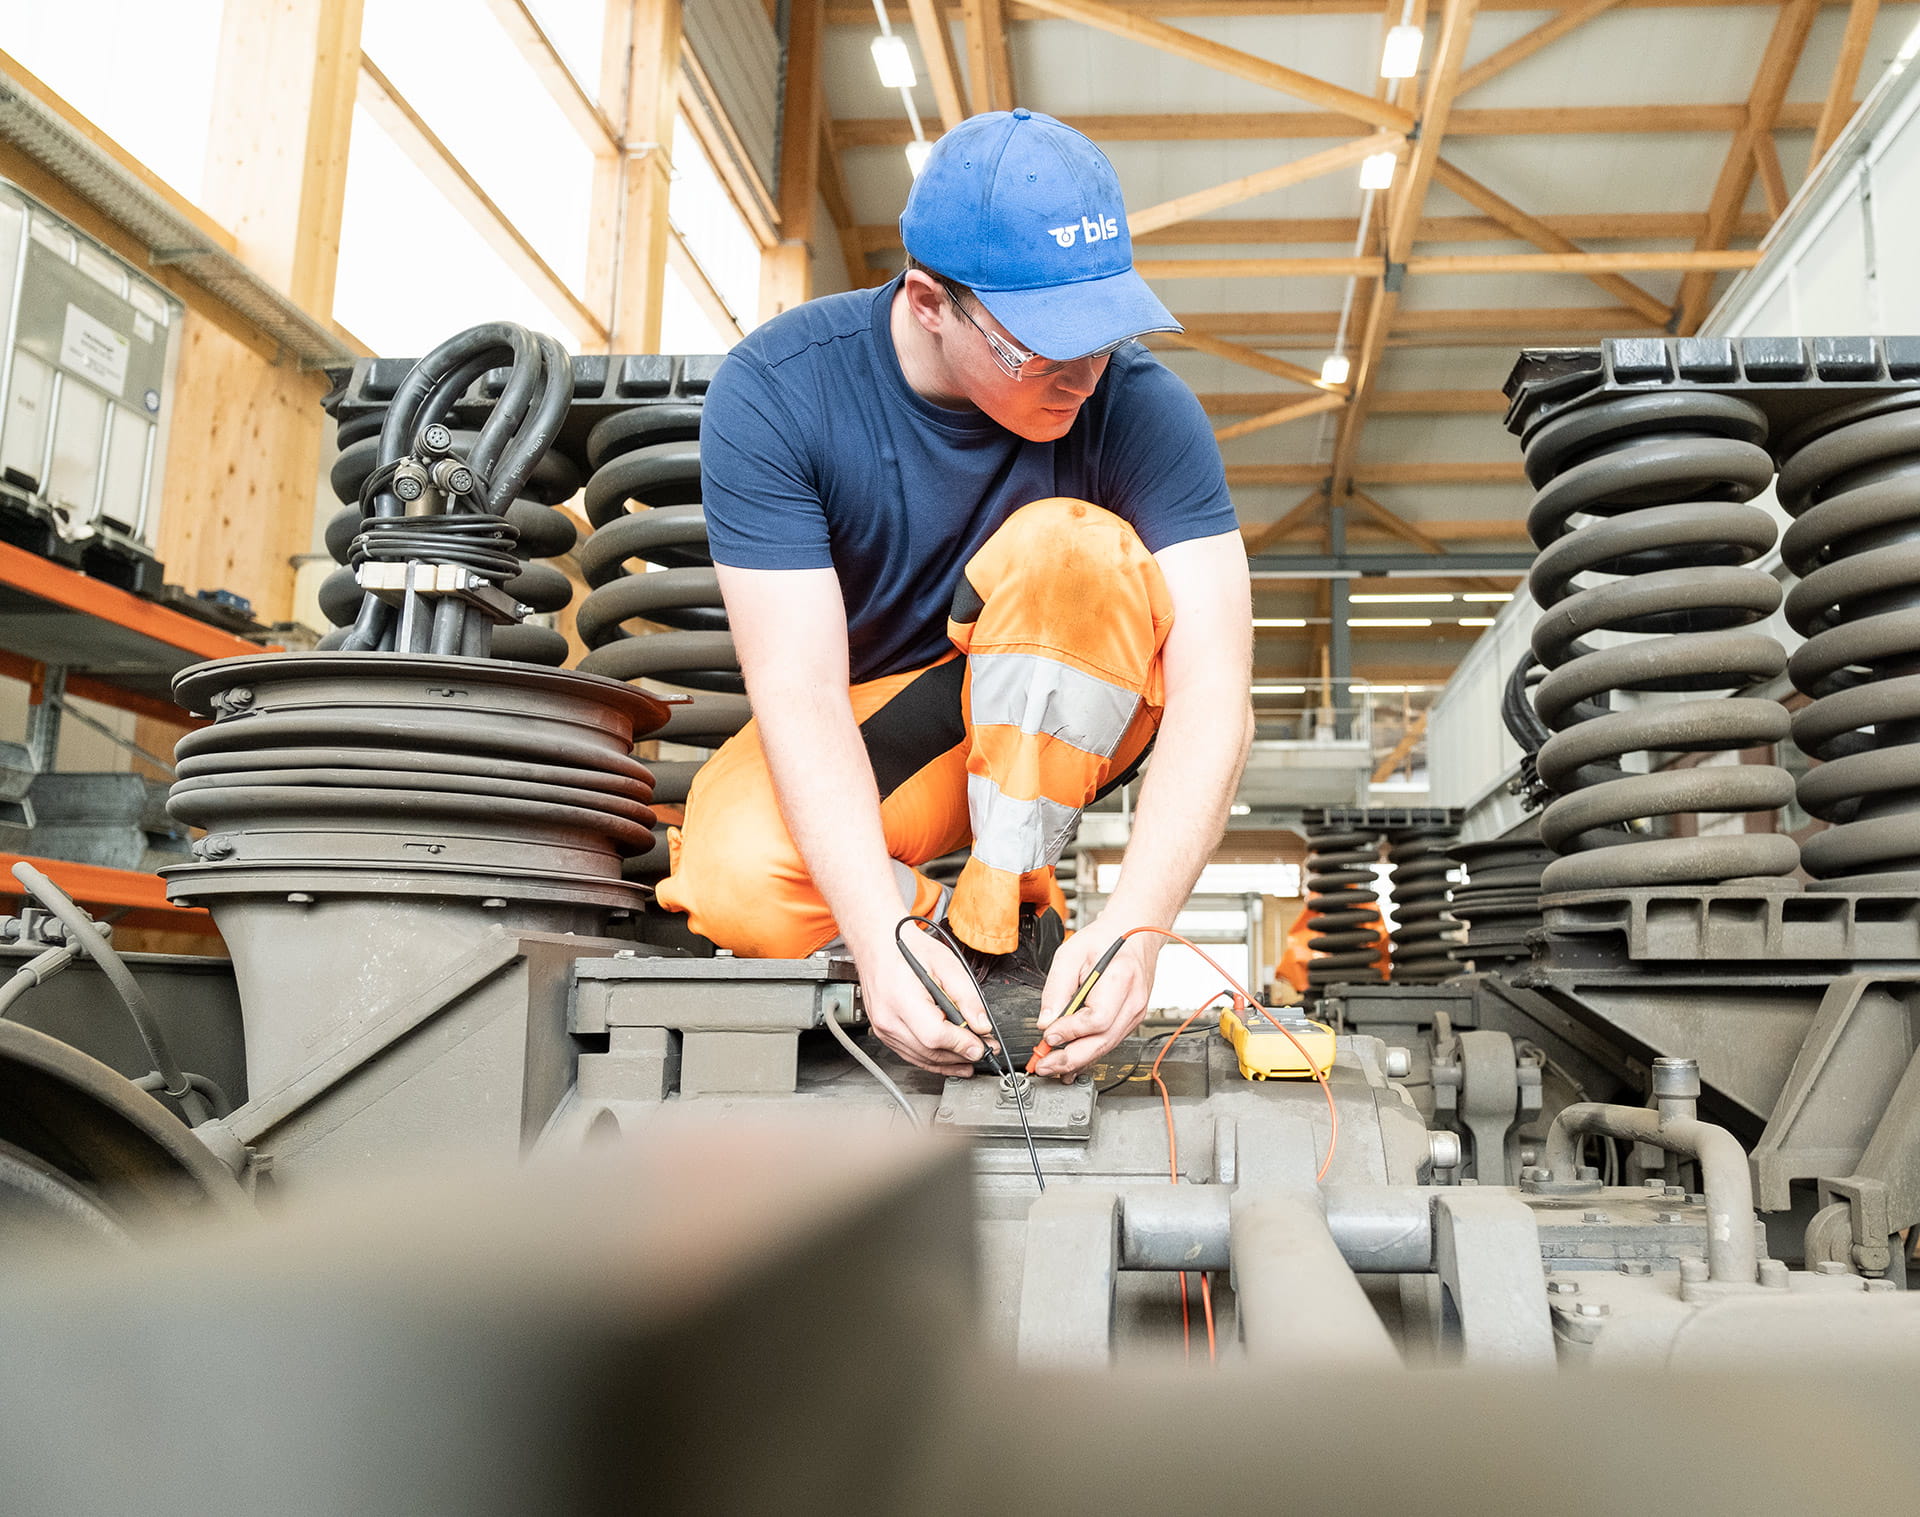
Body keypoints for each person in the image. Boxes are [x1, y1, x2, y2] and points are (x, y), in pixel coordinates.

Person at [655, 109, 1253, 1083]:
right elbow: (800, 690)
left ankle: (1005, 895)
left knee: (1071, 552)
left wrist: (1139, 924)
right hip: (890, 723)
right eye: (1043, 347)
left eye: (1104, 337)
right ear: (930, 301)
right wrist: (879, 928)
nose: (1085, 377)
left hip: (1074, 704)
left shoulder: (1140, 409)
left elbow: (1215, 687)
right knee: (732, 876)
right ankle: (976, 926)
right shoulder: (778, 392)